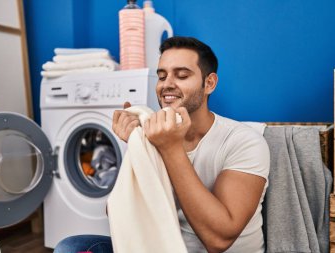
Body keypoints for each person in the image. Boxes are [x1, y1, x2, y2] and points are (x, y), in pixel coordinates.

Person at [53, 36, 270, 253]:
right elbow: (117, 214)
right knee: (69, 247)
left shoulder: (244, 141)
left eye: (182, 75)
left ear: (209, 83)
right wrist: (138, 147)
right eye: (162, 76)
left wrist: (170, 148)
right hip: (159, 246)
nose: (167, 85)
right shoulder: (152, 134)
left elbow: (219, 240)